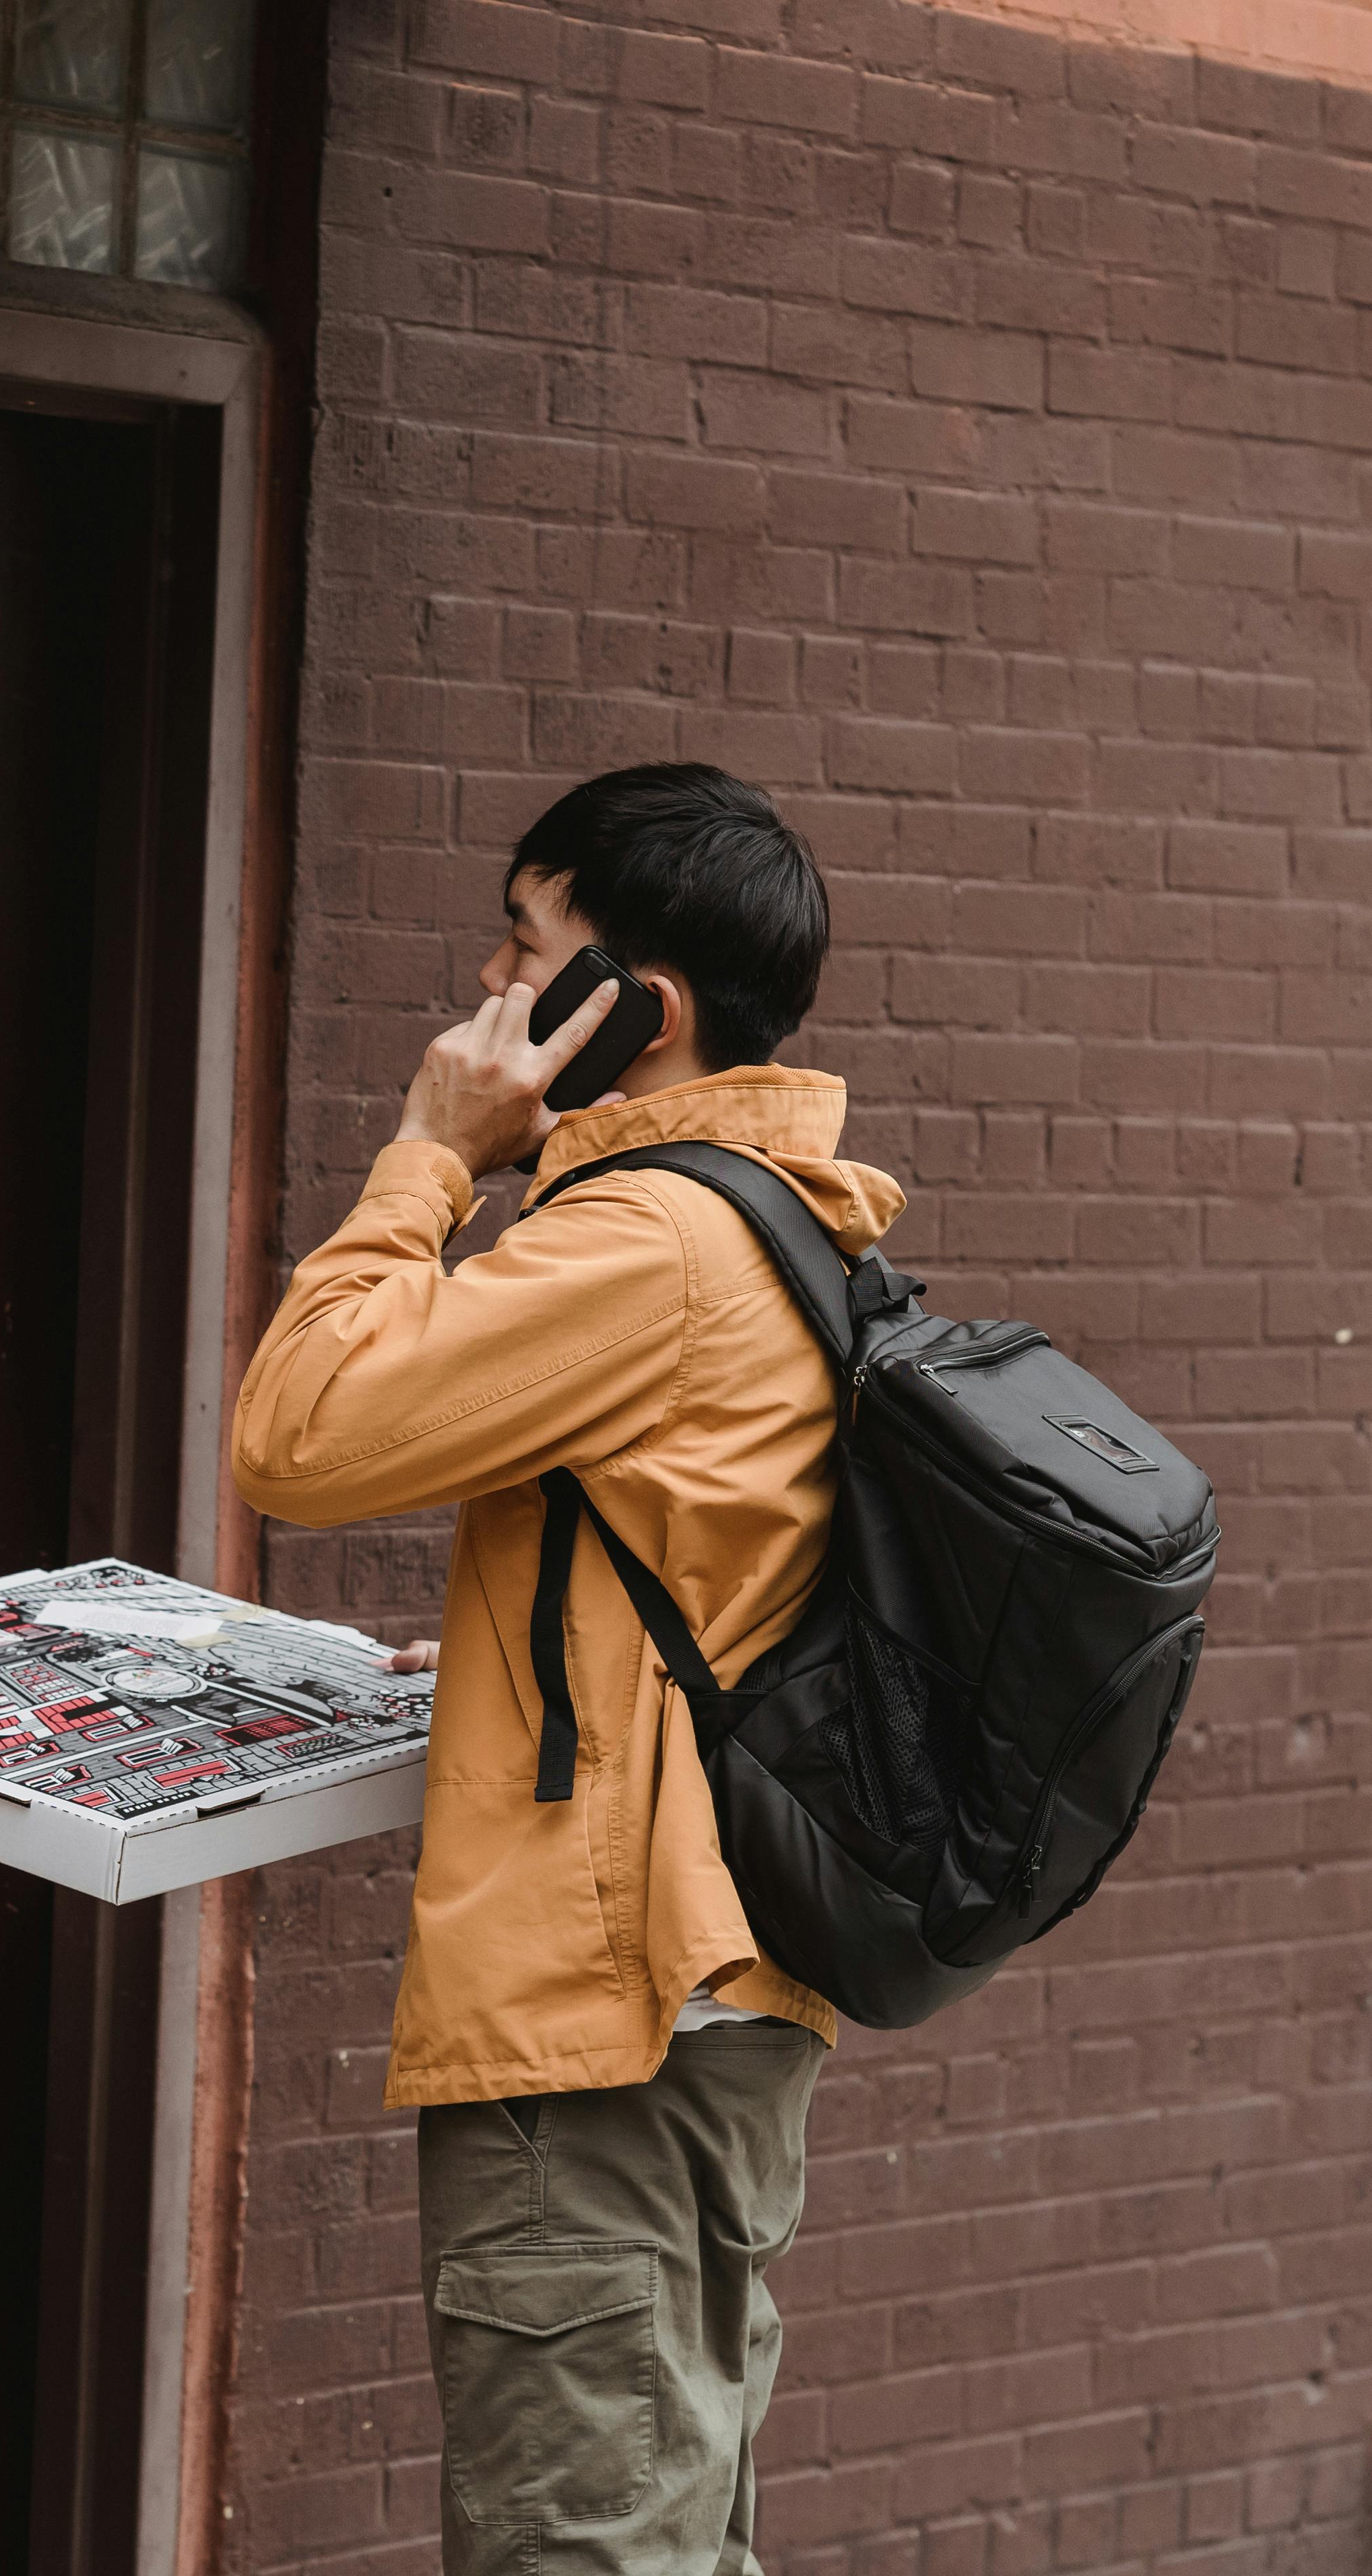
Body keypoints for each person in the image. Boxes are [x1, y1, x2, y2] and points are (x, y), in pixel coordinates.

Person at [229, 764, 902, 2575]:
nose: (487, 1001)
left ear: (639, 1010)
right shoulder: (775, 1212)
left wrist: (434, 1152)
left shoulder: (653, 1239)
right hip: (706, 2006)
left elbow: (292, 1434)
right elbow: (681, 1569)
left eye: (525, 953)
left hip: (604, 2037)